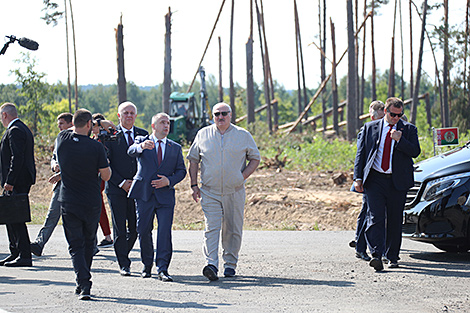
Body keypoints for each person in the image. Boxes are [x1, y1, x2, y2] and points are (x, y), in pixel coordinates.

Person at [187, 102, 260, 281]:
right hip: (209, 191)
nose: (220, 117)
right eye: (217, 114)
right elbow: (193, 160)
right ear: (213, 116)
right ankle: (211, 264)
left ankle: (230, 264)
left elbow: (255, 158)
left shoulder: (243, 135)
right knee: (212, 227)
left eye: (224, 114)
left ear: (230, 115)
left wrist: (241, 177)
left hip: (234, 190)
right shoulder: (203, 134)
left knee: (232, 229)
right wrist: (194, 185)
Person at [353, 97, 420, 271]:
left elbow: (415, 152)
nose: (396, 118)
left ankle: (392, 256)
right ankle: (376, 255)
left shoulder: (408, 130)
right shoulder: (370, 128)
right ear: (385, 112)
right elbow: (361, 154)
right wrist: (357, 178)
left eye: (399, 115)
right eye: (393, 114)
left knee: (394, 220)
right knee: (375, 218)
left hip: (397, 182)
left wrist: (400, 140)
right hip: (375, 180)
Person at [56, 109, 111, 300]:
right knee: (89, 243)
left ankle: (83, 282)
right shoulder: (96, 148)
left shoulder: (62, 139)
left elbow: (72, 128)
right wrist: (100, 124)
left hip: (69, 200)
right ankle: (84, 281)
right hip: (91, 201)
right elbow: (106, 175)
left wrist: (88, 122)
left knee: (75, 245)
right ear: (89, 125)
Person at [128, 113, 186, 281]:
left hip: (165, 196)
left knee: (164, 232)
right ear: (153, 126)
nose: (166, 125)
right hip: (144, 194)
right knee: (143, 230)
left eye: (168, 123)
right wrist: (141, 147)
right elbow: (130, 151)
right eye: (162, 123)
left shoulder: (175, 147)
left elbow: (181, 171)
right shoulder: (142, 140)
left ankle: (162, 268)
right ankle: (147, 265)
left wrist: (169, 180)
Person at [105, 101, 148, 276]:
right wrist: (122, 182)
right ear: (119, 116)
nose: (129, 116)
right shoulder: (110, 136)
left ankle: (122, 252)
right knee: (119, 228)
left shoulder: (143, 135)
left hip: (137, 189)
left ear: (136, 116)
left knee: (136, 228)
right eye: (125, 113)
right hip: (116, 188)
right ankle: (124, 264)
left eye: (132, 113)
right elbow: (105, 165)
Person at [30, 113, 73, 257]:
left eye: (61, 123)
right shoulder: (59, 138)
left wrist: (62, 174)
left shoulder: (77, 139)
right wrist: (54, 165)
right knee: (52, 215)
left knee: (75, 219)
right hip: (60, 186)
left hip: (74, 186)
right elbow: (54, 157)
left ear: (70, 123)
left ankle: (91, 247)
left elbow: (78, 163)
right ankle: (39, 244)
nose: (59, 126)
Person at [0, 103, 36, 267]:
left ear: (5, 115)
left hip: (17, 181)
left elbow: (17, 157)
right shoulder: (21, 128)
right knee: (10, 216)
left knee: (16, 217)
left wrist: (10, 181)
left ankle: (24, 255)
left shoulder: (15, 130)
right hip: (17, 180)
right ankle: (15, 252)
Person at [350, 101, 385, 261]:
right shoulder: (367, 130)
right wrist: (358, 178)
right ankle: (361, 246)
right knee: (367, 213)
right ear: (372, 117)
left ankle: (363, 244)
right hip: (368, 179)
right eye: (380, 117)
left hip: (380, 180)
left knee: (369, 212)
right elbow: (361, 156)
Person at [91, 113, 113, 248]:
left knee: (98, 205)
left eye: (94, 125)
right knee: (99, 206)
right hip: (95, 175)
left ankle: (107, 236)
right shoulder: (94, 138)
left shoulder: (107, 139)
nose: (92, 128)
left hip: (102, 175)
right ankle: (107, 235)